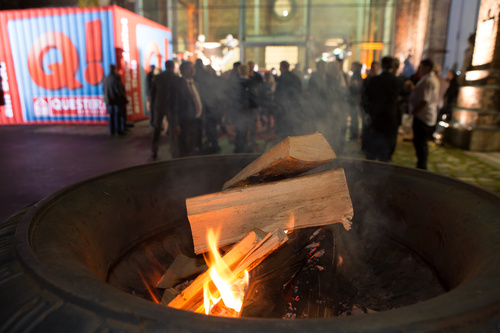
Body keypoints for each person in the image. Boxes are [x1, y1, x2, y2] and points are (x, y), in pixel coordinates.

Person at [363, 56, 402, 162]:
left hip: (376, 117)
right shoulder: (397, 81)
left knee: (374, 145)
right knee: (387, 148)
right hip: (390, 117)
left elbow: (367, 97)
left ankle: (371, 168)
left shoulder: (374, 80)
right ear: (393, 66)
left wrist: (368, 111)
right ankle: (384, 169)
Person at [409, 58, 440, 170]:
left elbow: (425, 100)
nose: (419, 69)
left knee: (421, 144)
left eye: (421, 67)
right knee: (420, 144)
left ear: (427, 67)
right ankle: (421, 165)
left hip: (423, 117)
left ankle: (422, 167)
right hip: (423, 115)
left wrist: (415, 111)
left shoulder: (429, 80)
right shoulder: (428, 79)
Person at [151, 60, 181, 159]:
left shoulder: (158, 78)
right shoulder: (176, 78)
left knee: (157, 129)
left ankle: (154, 150)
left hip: (159, 106)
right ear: (172, 67)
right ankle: (174, 151)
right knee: (173, 130)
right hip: (172, 107)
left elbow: (153, 94)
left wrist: (153, 107)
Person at [174, 61, 202, 157]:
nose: (192, 70)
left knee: (194, 143)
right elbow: (174, 105)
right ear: (182, 70)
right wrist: (176, 123)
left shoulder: (196, 83)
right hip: (184, 120)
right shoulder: (177, 85)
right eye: (189, 68)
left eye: (193, 68)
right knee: (185, 146)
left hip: (196, 119)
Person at [274, 60, 303, 140]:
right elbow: (299, 90)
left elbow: (279, 93)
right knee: (292, 128)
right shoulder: (295, 77)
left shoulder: (282, 78)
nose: (279, 69)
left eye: (280, 67)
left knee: (284, 128)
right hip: (294, 106)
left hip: (284, 107)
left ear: (283, 67)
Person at [233, 64, 258, 153]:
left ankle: (239, 147)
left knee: (240, 129)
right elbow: (254, 97)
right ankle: (246, 148)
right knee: (248, 129)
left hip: (238, 110)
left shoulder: (234, 82)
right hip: (249, 110)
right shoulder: (251, 82)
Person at [103, 64, 128, 136]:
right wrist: (123, 98)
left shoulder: (106, 78)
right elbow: (119, 90)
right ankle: (118, 130)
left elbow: (104, 89)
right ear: (114, 69)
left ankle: (112, 131)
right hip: (116, 100)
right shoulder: (116, 78)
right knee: (117, 116)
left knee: (111, 116)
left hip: (109, 101)